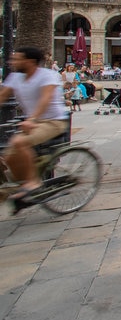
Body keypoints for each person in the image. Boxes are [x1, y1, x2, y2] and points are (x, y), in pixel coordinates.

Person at [0, 47, 72, 211]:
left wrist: (32, 119)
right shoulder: (15, 77)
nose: (12, 62)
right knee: (8, 156)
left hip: (54, 121)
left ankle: (33, 182)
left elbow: (45, 99)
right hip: (33, 123)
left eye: (17, 59)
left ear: (30, 62)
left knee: (19, 142)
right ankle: (23, 186)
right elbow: (2, 97)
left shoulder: (47, 75)